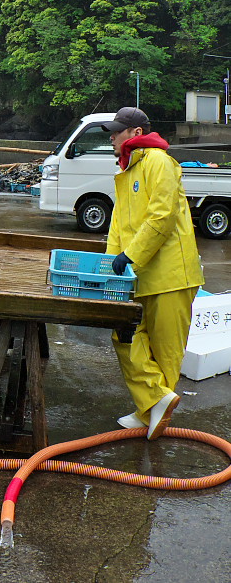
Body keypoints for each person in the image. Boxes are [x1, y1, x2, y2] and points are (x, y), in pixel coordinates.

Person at [102, 106, 203, 439]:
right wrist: (111, 262)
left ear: (134, 133)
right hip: (140, 274)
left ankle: (151, 414)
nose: (112, 136)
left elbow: (162, 217)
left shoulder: (159, 162)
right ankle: (153, 402)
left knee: (166, 351)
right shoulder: (127, 170)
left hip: (172, 275)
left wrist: (131, 254)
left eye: (117, 131)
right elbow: (118, 223)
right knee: (125, 334)